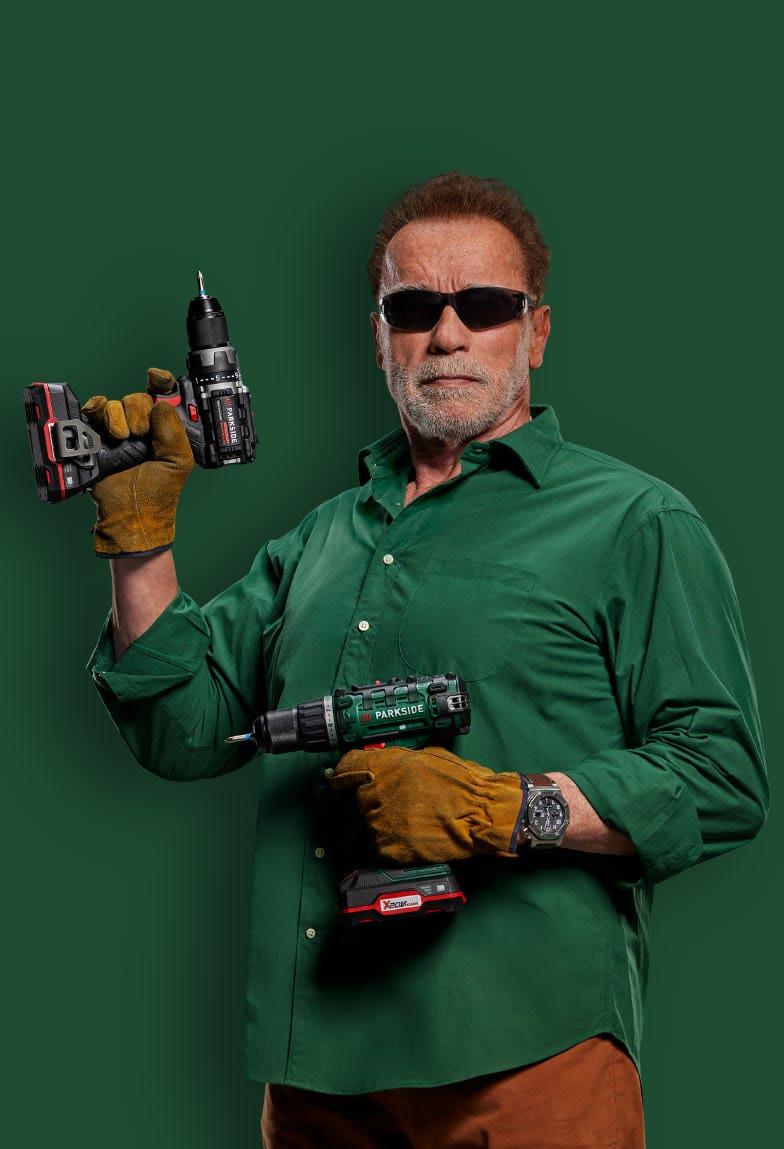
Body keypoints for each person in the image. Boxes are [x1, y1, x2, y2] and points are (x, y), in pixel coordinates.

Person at [84, 172, 768, 1149]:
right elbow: (183, 729)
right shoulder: (319, 542)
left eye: (482, 305)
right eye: (412, 308)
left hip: (530, 1059)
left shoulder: (634, 522)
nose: (446, 334)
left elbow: (721, 775)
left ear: (535, 332)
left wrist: (507, 807)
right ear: (379, 337)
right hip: (319, 1076)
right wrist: (142, 541)